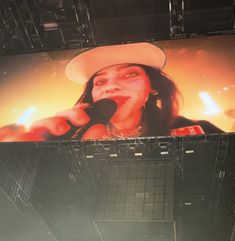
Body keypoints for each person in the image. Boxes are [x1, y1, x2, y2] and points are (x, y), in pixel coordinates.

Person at [0, 42, 223, 142]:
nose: (111, 86)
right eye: (100, 81)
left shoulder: (197, 130)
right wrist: (27, 155)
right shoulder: (71, 135)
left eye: (130, 74)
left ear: (152, 87)